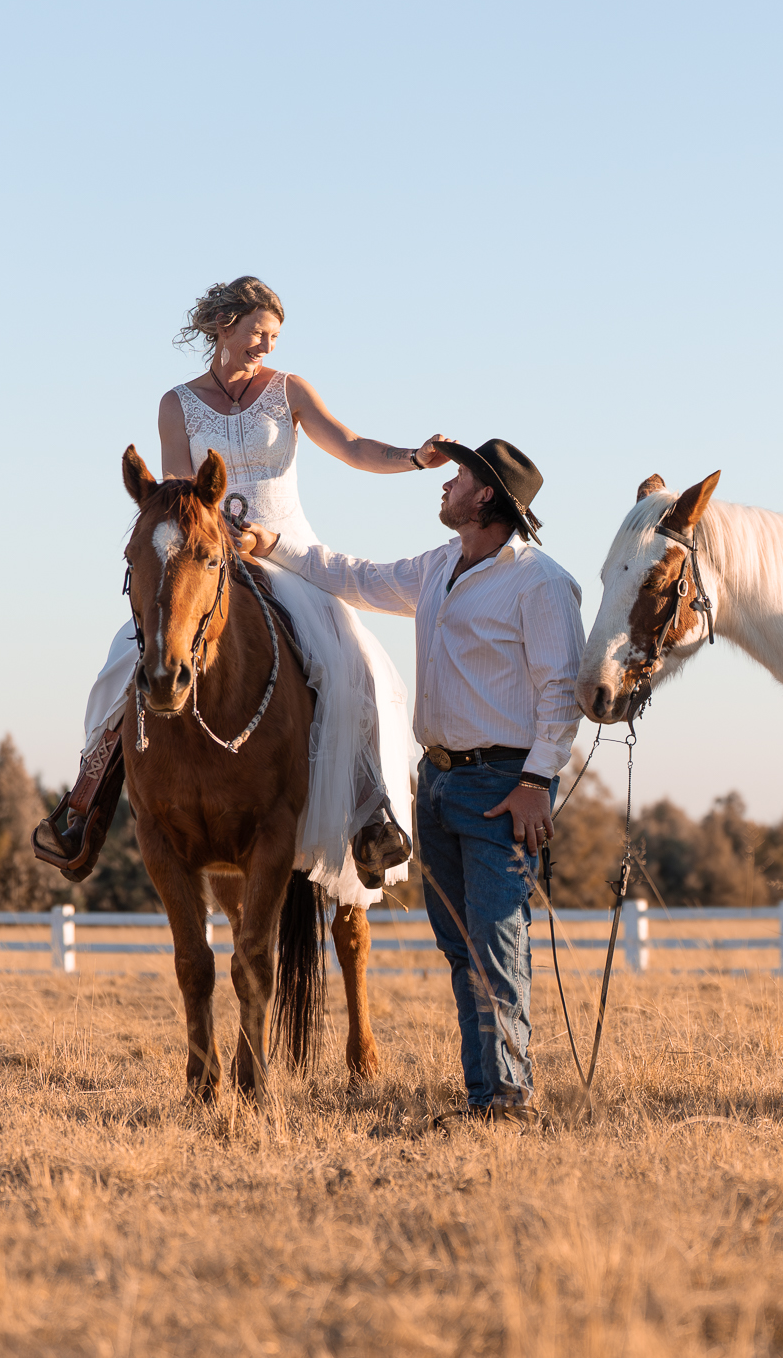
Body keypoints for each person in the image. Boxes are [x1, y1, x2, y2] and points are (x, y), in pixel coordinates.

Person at [35, 276, 443, 908]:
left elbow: (354, 447)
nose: (264, 346)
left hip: (287, 555)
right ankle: (83, 808)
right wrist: (207, 532)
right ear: (222, 325)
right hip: (209, 557)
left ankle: (371, 813)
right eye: (257, 333)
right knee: (124, 661)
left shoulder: (290, 390)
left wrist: (413, 457)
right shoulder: (177, 404)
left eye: (273, 337)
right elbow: (177, 490)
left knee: (355, 665)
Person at [240, 439, 585, 1123]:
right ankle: (485, 1094)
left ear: (484, 494)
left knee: (497, 943)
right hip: (439, 782)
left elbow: (561, 690)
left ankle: (512, 1096)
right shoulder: (438, 568)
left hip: (501, 783)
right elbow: (354, 575)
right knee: (462, 948)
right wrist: (273, 543)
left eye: (457, 477)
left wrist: (537, 782)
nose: (445, 485)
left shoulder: (541, 582)